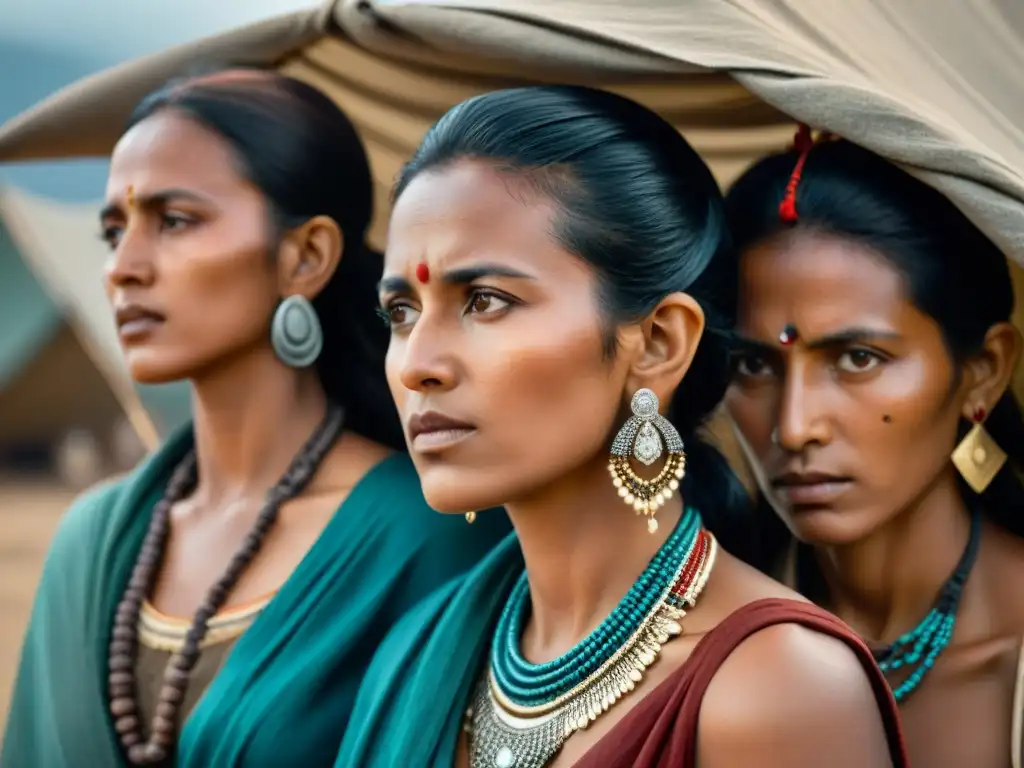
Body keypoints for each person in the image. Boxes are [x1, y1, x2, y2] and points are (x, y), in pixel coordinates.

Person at [333, 86, 908, 768]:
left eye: (485, 301)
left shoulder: (780, 690)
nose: (417, 365)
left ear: (659, 343)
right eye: (401, 311)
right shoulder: (417, 649)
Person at [0, 69, 510, 768]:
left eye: (174, 220)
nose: (123, 267)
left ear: (306, 256)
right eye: (114, 230)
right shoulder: (87, 541)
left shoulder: (431, 534)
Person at [723, 128, 1024, 768]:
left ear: (983, 371)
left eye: (858, 358)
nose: (795, 427)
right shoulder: (693, 640)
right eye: (752, 365)